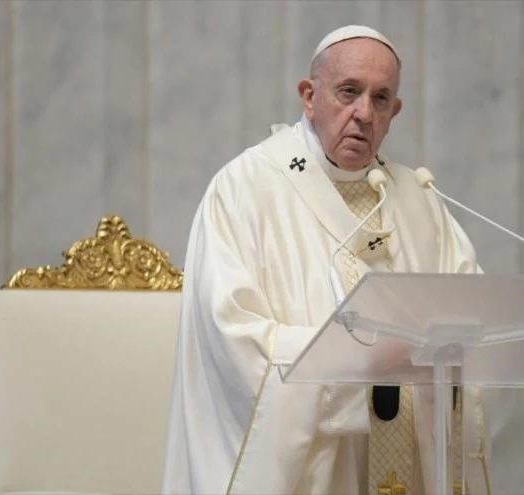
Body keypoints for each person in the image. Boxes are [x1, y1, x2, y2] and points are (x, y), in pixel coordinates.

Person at [161, 25, 491, 495]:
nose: (363, 114)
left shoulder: (417, 200)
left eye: (380, 99)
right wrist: (363, 360)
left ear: (395, 112)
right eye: (348, 92)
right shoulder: (246, 190)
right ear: (309, 96)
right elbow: (234, 342)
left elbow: (471, 312)